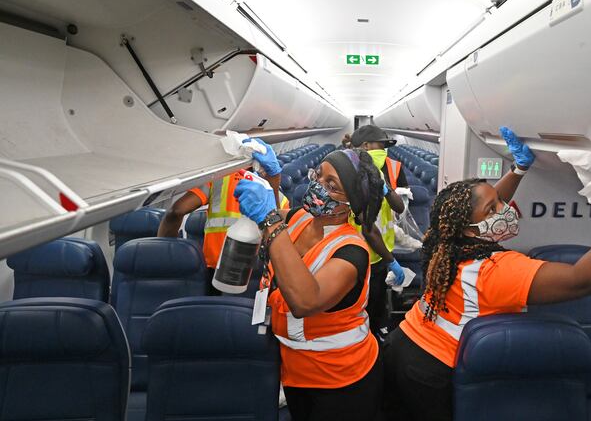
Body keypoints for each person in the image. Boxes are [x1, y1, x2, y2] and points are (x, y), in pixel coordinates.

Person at [383, 127, 591, 421]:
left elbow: (479, 207)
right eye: (494, 209)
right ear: (469, 228)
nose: (505, 209)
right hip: (431, 368)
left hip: (405, 343)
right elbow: (583, 280)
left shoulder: (443, 240)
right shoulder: (493, 270)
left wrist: (519, 169)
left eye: (499, 202)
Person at [234, 140, 385, 421]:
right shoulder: (303, 218)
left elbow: (305, 300)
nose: (317, 186)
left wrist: (268, 219)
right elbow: (271, 217)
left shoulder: (351, 252)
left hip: (340, 378)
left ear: (350, 203)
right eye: (319, 175)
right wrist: (273, 178)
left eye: (332, 186)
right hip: (295, 368)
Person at [157, 163, 289, 291]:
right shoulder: (282, 201)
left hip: (215, 267)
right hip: (257, 271)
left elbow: (177, 211)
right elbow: (283, 242)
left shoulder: (218, 179)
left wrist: (164, 256)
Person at [350, 124, 409, 340]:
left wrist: (384, 187)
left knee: (375, 300)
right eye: (380, 146)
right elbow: (367, 227)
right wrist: (391, 259)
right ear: (365, 146)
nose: (384, 151)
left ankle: (376, 336)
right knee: (358, 304)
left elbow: (399, 208)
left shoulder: (390, 167)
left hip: (379, 253)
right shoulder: (349, 171)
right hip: (356, 251)